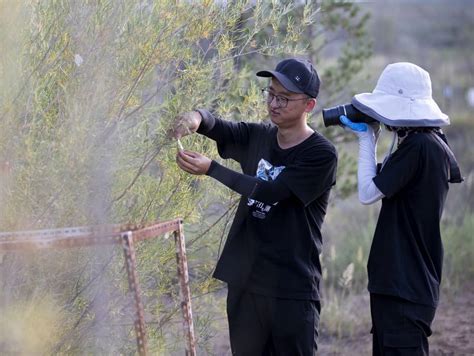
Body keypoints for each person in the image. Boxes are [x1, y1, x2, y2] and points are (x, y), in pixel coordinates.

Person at [171, 58, 337, 355]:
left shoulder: (321, 154)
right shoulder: (258, 136)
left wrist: (212, 169)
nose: (274, 103)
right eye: (270, 94)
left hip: (291, 290)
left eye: (284, 98)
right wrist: (194, 119)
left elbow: (271, 192)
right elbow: (218, 126)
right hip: (245, 284)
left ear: (308, 106)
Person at [339, 62, 463, 356]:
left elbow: (368, 193)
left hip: (404, 286)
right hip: (401, 284)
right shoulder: (429, 143)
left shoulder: (420, 146)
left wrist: (366, 139)